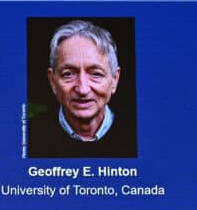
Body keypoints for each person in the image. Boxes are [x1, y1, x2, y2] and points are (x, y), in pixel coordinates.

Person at [28, 19, 136, 158]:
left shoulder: (139, 135)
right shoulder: (29, 138)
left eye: (96, 74)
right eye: (68, 74)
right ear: (52, 81)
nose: (83, 89)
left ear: (114, 79)